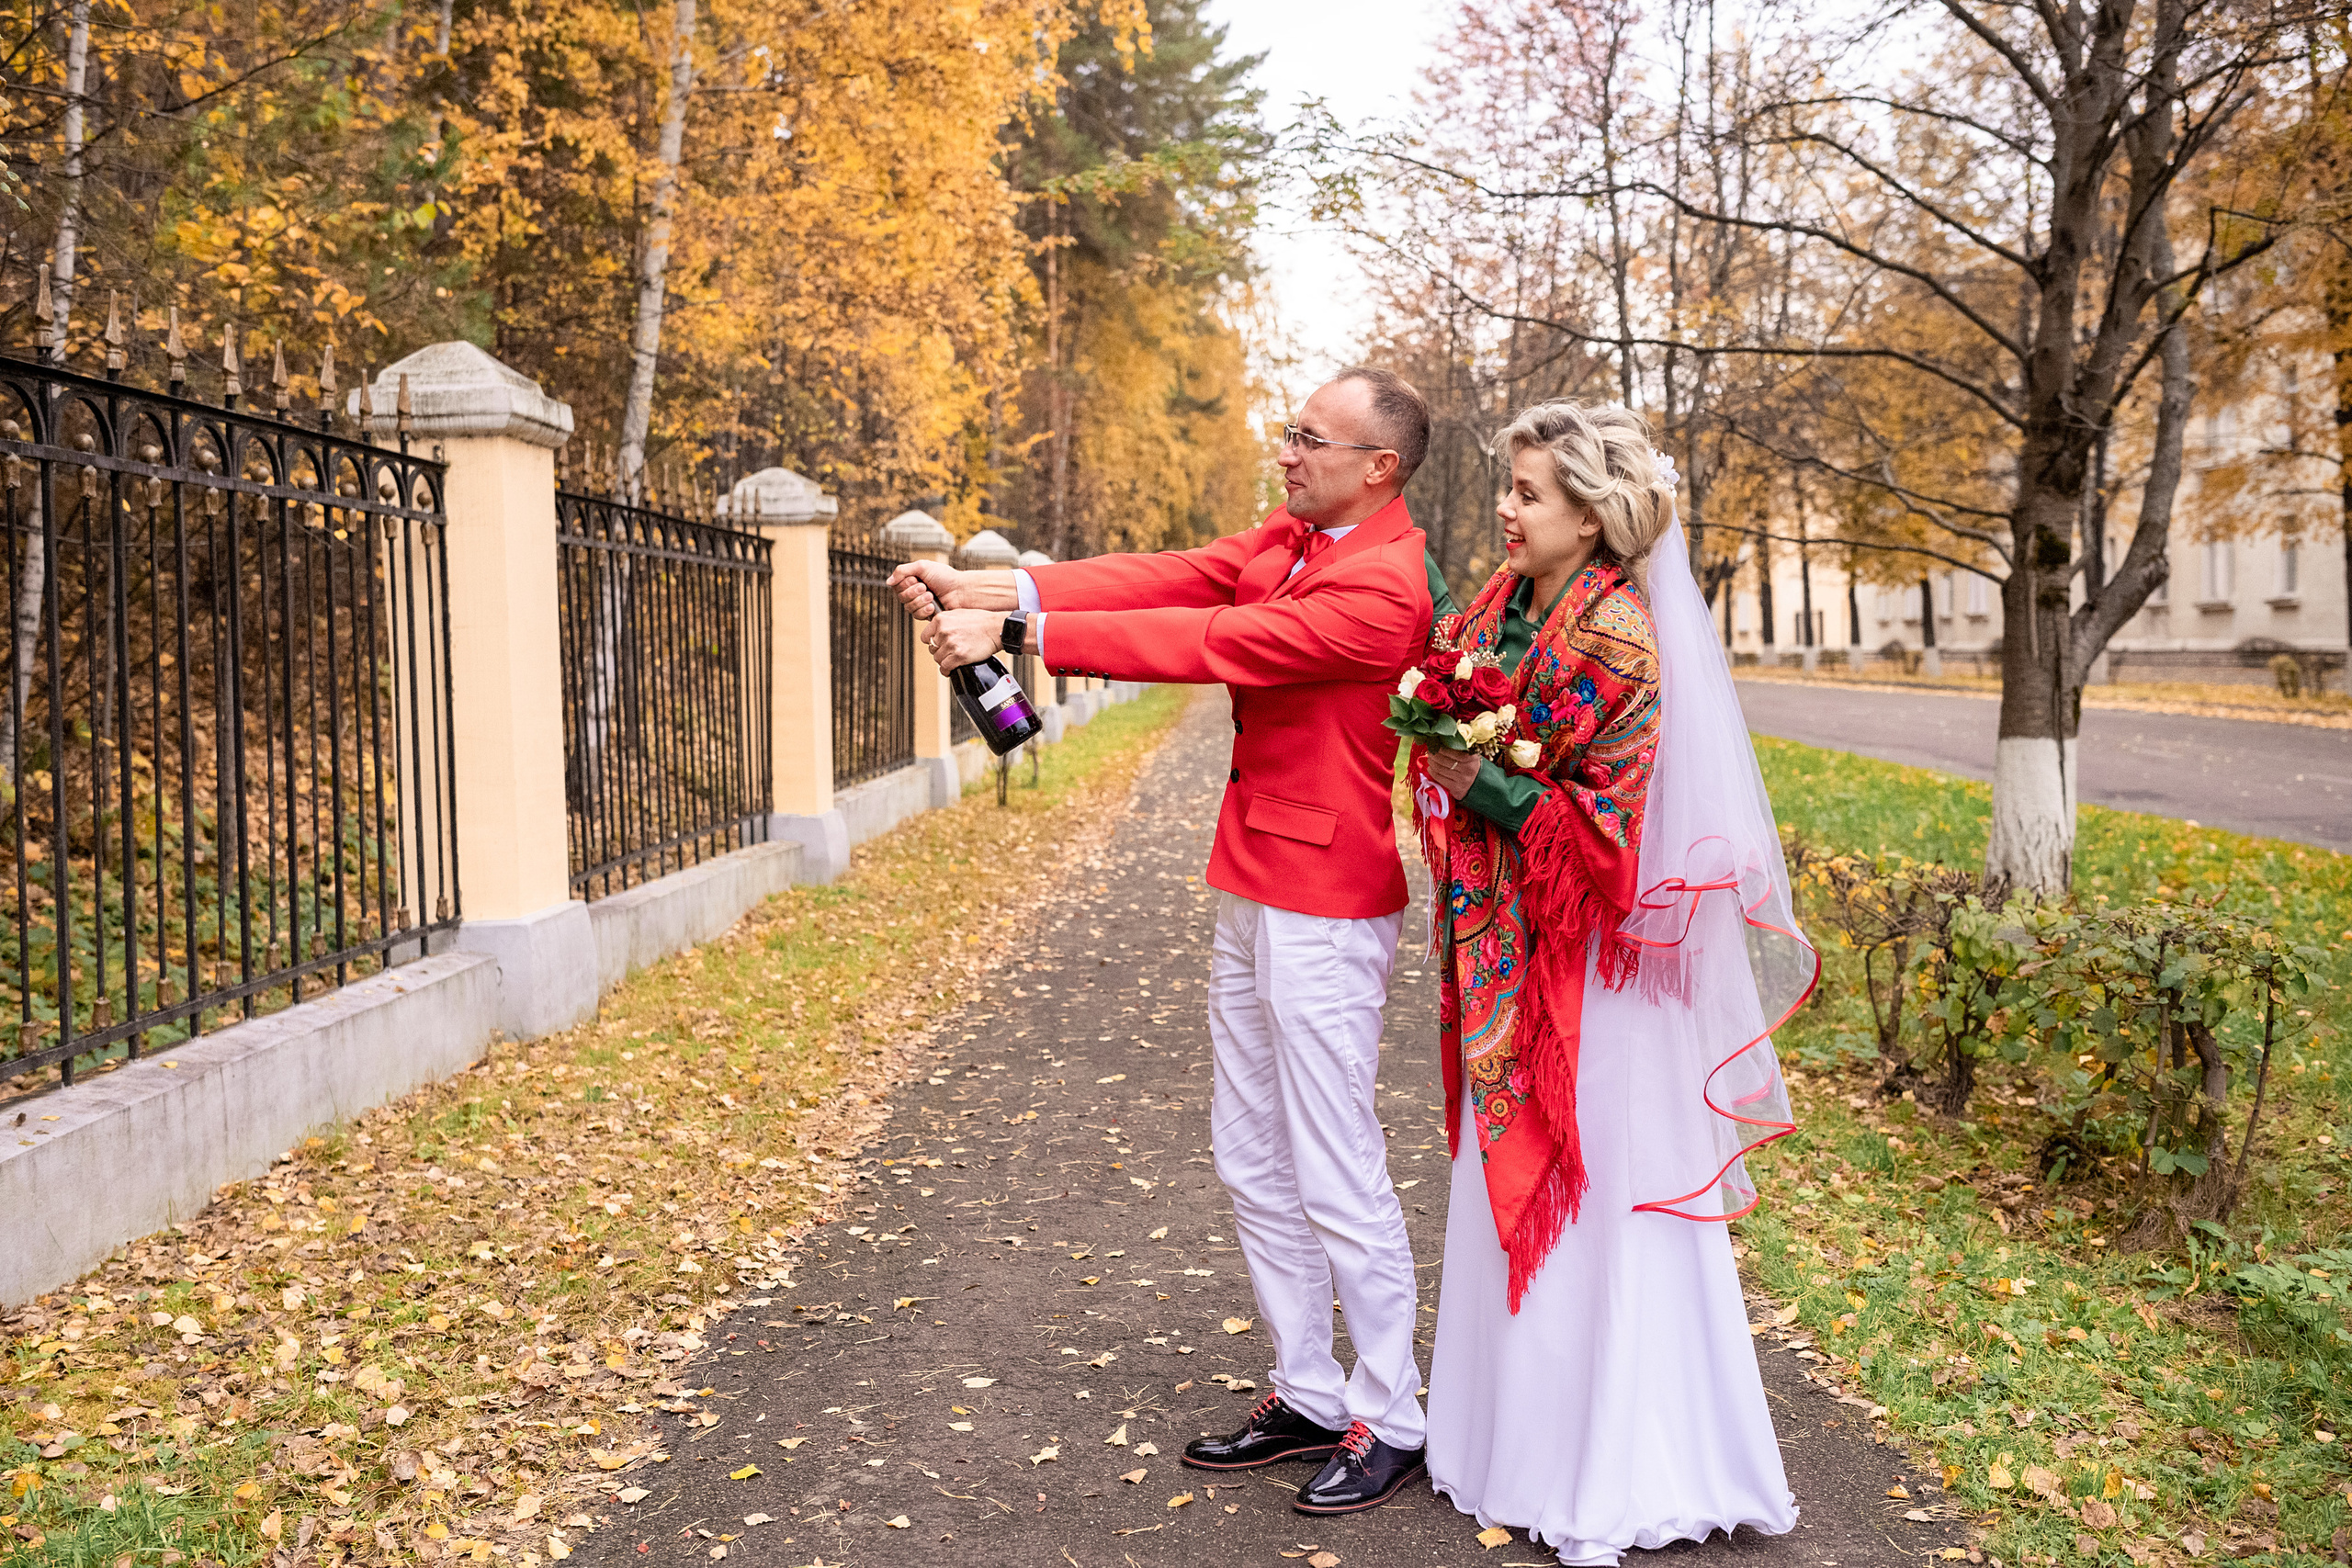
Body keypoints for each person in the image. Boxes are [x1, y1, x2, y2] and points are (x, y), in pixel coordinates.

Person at [888, 367, 1440, 1516]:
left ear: (1377, 467)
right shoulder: (1293, 535)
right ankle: (1305, 1388)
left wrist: (1020, 624)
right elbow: (1166, 575)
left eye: (1310, 439)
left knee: (1334, 1163)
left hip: (1329, 901)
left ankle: (1392, 1414)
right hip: (1253, 877)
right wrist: (985, 583)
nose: (1286, 453)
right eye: (1287, 432)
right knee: (1247, 1150)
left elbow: (1214, 640)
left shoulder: (1386, 585)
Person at [1411, 400, 1815, 1564]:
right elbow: (1450, 726)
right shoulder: (1492, 609)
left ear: (1591, 520)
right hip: (1504, 943)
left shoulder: (1622, 641)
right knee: (1500, 1182)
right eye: (1508, 486)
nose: (1504, 506)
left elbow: (1612, 840)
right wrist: (1442, 767)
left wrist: (1479, 785)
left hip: (1598, 976)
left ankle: (1622, 1463)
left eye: (1528, 494)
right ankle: (1501, 1450)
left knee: (1600, 1204)